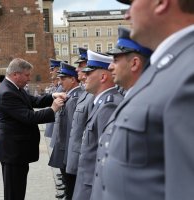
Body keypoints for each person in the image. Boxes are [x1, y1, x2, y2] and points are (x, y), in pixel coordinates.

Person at [100, 0, 194, 200]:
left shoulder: (188, 71)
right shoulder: (169, 66)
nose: (126, 15)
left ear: (161, 3)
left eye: (132, 3)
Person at [90, 27, 152, 200]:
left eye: (116, 60)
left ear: (134, 63)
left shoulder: (147, 103)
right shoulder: (131, 98)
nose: (110, 66)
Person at [0, 58, 66, 200]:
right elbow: (29, 116)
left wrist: (52, 96)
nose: (29, 78)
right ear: (16, 74)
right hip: (12, 152)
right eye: (26, 75)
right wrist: (53, 109)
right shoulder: (7, 93)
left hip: (18, 151)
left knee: (18, 189)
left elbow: (34, 101)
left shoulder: (15, 88)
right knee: (14, 193)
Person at [72, 50, 124, 200]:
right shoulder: (100, 102)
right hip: (87, 183)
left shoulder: (109, 105)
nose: (83, 77)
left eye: (89, 74)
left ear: (103, 77)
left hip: (93, 187)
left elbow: (105, 158)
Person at [48, 62, 83, 199]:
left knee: (71, 187)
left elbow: (71, 130)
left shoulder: (74, 99)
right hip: (63, 147)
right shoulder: (68, 95)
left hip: (67, 150)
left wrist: (68, 155)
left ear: (73, 80)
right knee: (68, 185)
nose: (60, 81)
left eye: (63, 78)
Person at [65, 47, 95, 198]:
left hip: (84, 159)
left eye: (82, 66)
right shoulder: (86, 93)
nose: (78, 69)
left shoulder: (94, 96)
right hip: (76, 155)